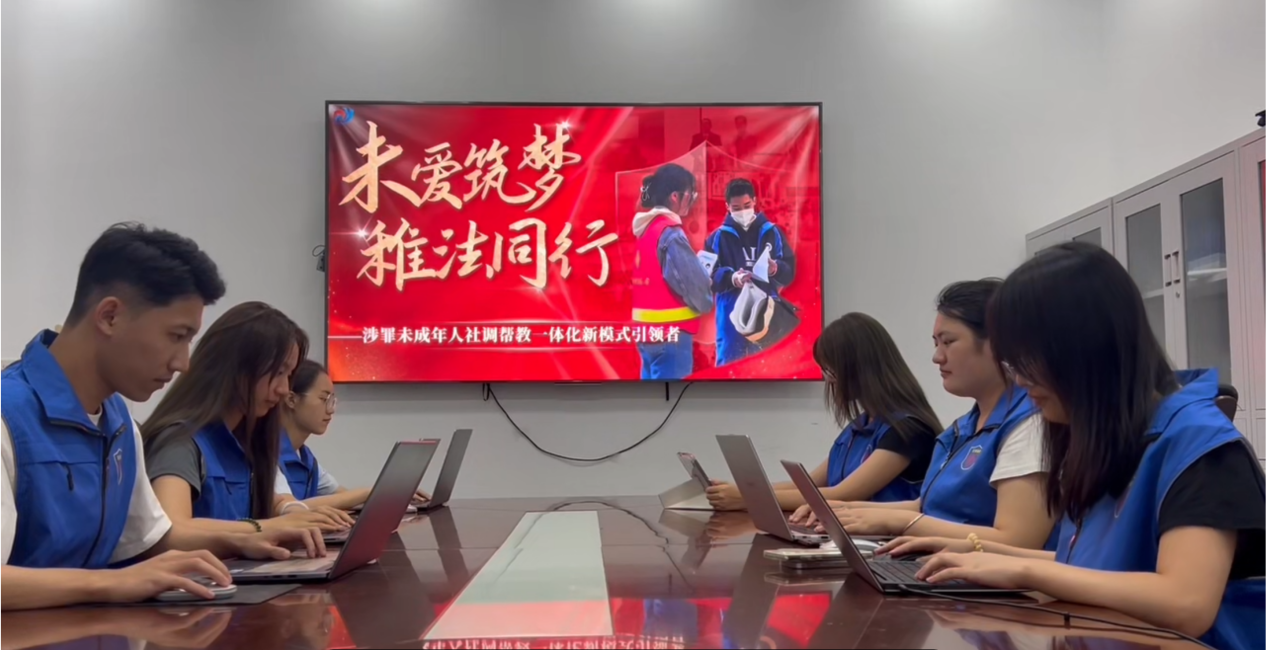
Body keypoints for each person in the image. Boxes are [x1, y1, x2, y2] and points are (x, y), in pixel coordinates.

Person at [879, 243, 1264, 650]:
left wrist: (1025, 572)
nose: (1020, 379)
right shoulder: (1107, 438)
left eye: (1029, 358)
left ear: (1084, 347)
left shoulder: (1199, 445)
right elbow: (1088, 568)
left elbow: (1186, 603)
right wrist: (985, 556)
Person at [1, 224, 323, 611]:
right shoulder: (9, 415)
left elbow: (150, 538)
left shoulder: (119, 423)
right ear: (110, 316)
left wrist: (247, 537)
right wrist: (110, 583)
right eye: (176, 336)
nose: (183, 363)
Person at [791, 280, 1056, 549]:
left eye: (948, 342)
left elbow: (1017, 541)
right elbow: (926, 506)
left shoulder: (1030, 425)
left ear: (998, 344)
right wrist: (848, 510)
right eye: (936, 343)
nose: (937, 357)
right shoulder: (962, 429)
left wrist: (899, 522)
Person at [143, 302, 354, 534]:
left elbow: (273, 501)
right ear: (236, 367)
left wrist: (293, 512)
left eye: (288, 375)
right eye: (279, 372)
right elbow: (172, 528)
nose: (284, 389)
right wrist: (262, 529)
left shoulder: (248, 442)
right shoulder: (180, 442)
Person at [706, 313, 940, 511]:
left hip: (886, 545)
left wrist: (749, 498)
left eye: (831, 370)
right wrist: (744, 490)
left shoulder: (907, 430)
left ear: (858, 368)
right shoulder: (860, 426)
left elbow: (844, 495)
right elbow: (808, 485)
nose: (829, 380)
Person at [278, 359, 428, 508]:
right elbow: (291, 508)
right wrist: (369, 492)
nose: (331, 410)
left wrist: (392, 496)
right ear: (291, 400)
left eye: (332, 401)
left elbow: (341, 496)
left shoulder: (306, 458)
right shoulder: (268, 455)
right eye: (323, 399)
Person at [630, 163, 714, 380]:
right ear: (675, 197)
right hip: (671, 337)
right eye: (690, 195)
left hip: (647, 334)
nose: (692, 200)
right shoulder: (671, 235)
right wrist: (706, 285)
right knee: (671, 399)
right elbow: (696, 290)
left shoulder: (645, 230)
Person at [705, 178, 797, 366]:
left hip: (766, 312)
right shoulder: (717, 237)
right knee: (728, 368)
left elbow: (789, 271)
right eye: (736, 208)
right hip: (730, 315)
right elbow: (707, 277)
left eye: (747, 206)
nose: (743, 212)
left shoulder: (772, 232)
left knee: (766, 367)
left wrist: (775, 268)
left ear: (754, 201)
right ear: (727, 207)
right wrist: (732, 278)